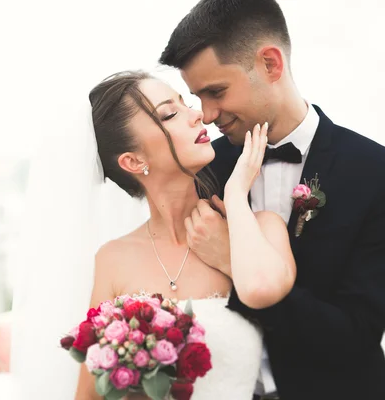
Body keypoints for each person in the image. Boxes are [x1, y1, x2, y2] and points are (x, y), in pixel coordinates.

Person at [158, 0, 385, 399]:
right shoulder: (204, 170)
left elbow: (356, 335)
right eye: (197, 97)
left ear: (271, 64)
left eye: (216, 91)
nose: (207, 115)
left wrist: (235, 261)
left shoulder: (373, 171)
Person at [74, 70, 296, 399]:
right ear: (133, 161)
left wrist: (236, 194)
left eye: (184, 103)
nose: (197, 115)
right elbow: (89, 395)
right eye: (170, 114)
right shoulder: (112, 260)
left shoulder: (263, 228)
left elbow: (266, 290)